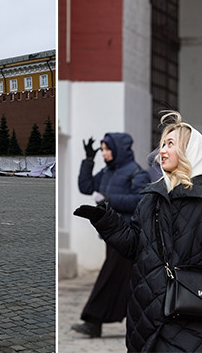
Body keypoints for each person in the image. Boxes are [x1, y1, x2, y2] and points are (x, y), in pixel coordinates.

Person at [73, 111, 202, 351]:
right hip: (146, 311)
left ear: (190, 152)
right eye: (162, 145)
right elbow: (134, 245)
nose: (162, 151)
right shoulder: (151, 197)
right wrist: (106, 220)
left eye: (171, 144)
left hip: (190, 312)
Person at [72, 133, 151, 337]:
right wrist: (89, 161)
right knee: (127, 281)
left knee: (110, 277)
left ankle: (93, 320)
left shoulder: (136, 173)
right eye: (103, 149)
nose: (105, 153)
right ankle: (141, 322)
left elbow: (139, 201)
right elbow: (85, 186)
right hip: (111, 234)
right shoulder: (107, 172)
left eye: (107, 149)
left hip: (127, 234)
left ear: (118, 150)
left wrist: (109, 198)